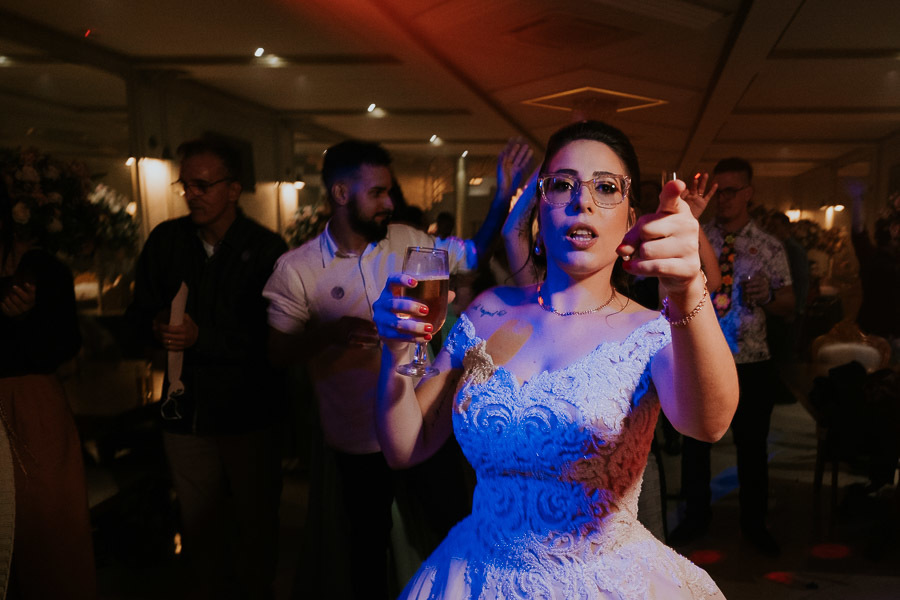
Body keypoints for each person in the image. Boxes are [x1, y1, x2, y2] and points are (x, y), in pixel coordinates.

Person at [372, 120, 739, 598]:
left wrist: (690, 288)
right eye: (561, 184)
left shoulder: (651, 330)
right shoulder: (488, 309)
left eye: (606, 187)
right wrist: (394, 350)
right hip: (477, 573)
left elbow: (708, 424)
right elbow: (405, 447)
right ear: (538, 215)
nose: (581, 200)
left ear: (630, 219)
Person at [263, 138, 531, 599]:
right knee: (366, 550)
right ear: (342, 194)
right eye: (378, 192)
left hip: (423, 421)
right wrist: (329, 334)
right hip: (357, 438)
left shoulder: (409, 242)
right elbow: (276, 354)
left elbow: (472, 254)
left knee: (453, 528)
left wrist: (501, 196)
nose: (390, 202)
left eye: (390, 192)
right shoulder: (297, 269)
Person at [127, 137, 287, 599]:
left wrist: (204, 338)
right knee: (199, 528)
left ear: (233, 189)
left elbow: (273, 339)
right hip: (185, 410)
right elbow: (137, 316)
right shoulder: (167, 241)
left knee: (255, 525)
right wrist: (158, 325)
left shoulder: (265, 249)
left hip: (248, 413)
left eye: (203, 184)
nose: (192, 194)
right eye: (186, 185)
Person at [670, 157, 795, 557]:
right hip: (703, 359)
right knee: (696, 444)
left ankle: (754, 523)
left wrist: (770, 297)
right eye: (716, 191)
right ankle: (695, 517)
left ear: (748, 194)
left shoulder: (771, 247)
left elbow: (791, 303)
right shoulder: (697, 238)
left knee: (752, 446)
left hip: (752, 359)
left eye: (730, 191)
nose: (722, 199)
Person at [0, 181, 96, 598]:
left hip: (31, 407)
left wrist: (19, 322)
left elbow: (63, 347)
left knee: (44, 526)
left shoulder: (43, 271)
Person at [850, 191, 900, 348]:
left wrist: (858, 203)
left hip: (876, 329)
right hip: (876, 332)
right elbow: (859, 234)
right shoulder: (874, 258)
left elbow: (859, 234)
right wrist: (857, 203)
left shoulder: (872, 256)